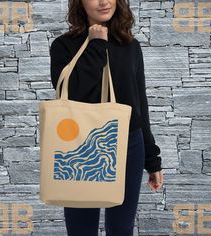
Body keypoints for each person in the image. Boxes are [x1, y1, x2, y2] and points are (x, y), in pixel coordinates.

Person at [50, 0, 164, 235]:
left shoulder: (130, 46)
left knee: (121, 229)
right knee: (80, 228)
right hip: (80, 148)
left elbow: (139, 103)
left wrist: (152, 160)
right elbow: (73, 90)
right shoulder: (64, 46)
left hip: (129, 146)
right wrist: (97, 43)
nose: (104, 2)